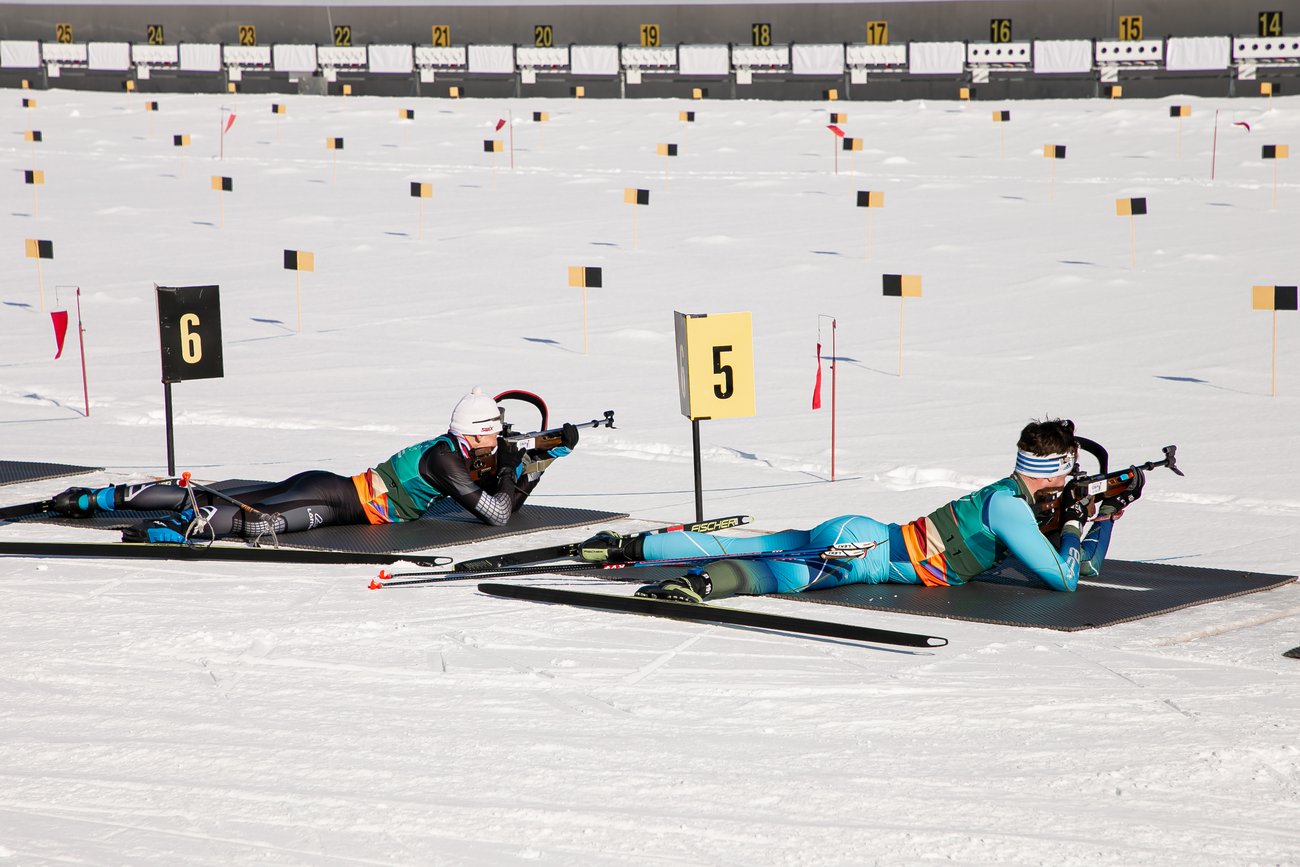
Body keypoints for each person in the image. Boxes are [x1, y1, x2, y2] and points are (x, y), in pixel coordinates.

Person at [580, 418, 1141, 603]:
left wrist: (1106, 516)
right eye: (1068, 471)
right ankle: (700, 584)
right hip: (867, 553)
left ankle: (631, 547)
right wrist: (1076, 523)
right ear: (1054, 469)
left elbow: (1082, 566)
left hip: (866, 532)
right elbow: (1064, 577)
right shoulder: (1012, 509)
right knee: (783, 574)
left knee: (757, 544)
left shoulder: (1010, 496)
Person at [50, 388, 580, 544]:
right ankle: (121, 509)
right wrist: (517, 468)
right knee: (255, 520)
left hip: (337, 494)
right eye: (493, 432)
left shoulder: (457, 450)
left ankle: (103, 501)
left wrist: (539, 459)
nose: (498, 439)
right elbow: (496, 513)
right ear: (473, 433)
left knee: (233, 506)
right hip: (335, 500)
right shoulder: (446, 459)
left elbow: (505, 500)